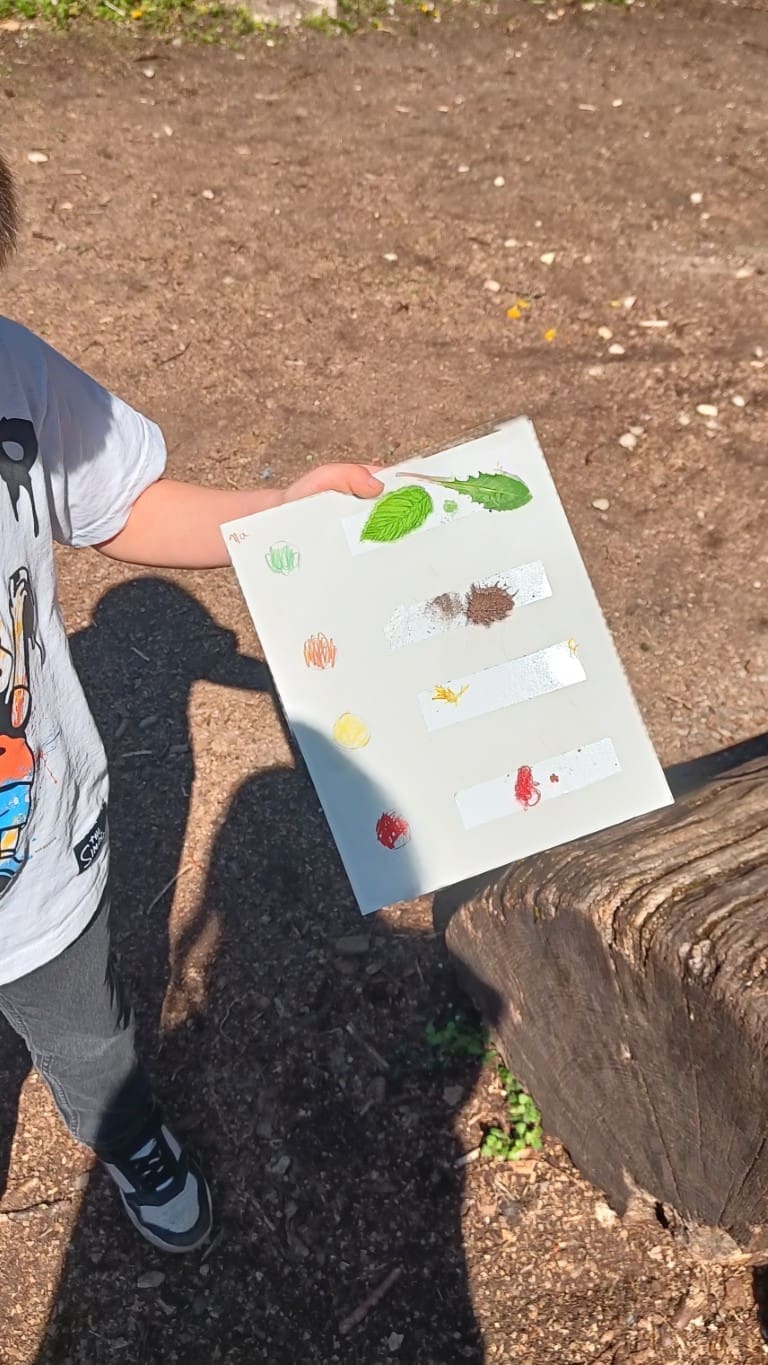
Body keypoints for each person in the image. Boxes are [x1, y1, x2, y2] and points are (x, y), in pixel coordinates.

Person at [0, 149, 382, 1253]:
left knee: (88, 1035)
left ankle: (126, 1135)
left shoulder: (14, 373)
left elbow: (125, 505)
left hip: (30, 864)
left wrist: (279, 513)